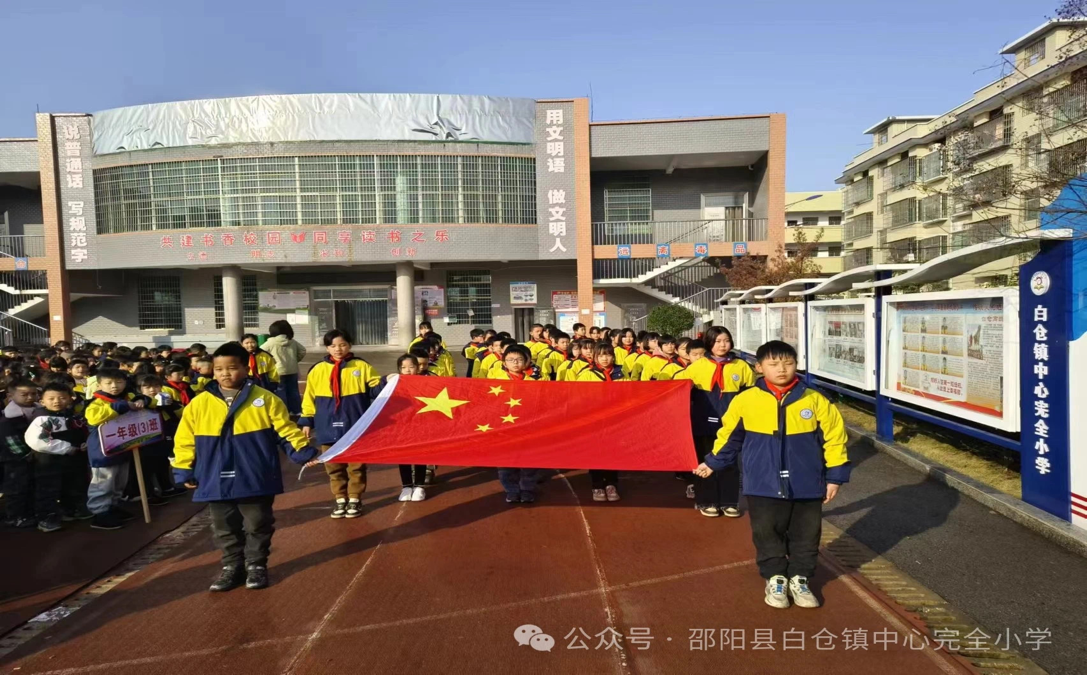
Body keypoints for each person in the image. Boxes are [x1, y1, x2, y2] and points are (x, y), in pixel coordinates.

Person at [695, 341, 849, 610]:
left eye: (788, 363)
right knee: (767, 532)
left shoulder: (815, 400)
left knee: (806, 534)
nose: (782, 369)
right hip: (762, 482)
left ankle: (800, 579)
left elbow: (835, 439)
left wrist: (834, 476)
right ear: (759, 367)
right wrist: (713, 462)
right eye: (774, 364)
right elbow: (729, 437)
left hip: (807, 482)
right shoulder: (746, 401)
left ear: (796, 364)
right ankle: (776, 577)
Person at [173, 342, 319, 592]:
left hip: (255, 474)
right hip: (214, 475)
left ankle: (256, 566)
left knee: (258, 523)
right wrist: (183, 468)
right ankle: (232, 567)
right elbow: (184, 439)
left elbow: (285, 430)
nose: (224, 374)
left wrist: (302, 452)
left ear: (245, 368)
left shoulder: (265, 399)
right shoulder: (199, 403)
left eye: (231, 368)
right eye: (219, 369)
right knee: (224, 527)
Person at [300, 330, 381, 519]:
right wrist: (306, 421)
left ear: (350, 345)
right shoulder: (317, 369)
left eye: (342, 344)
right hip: (327, 425)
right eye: (333, 346)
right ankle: (340, 499)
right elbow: (309, 398)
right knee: (334, 466)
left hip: (355, 426)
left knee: (356, 466)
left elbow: (376, 388)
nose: (338, 349)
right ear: (327, 347)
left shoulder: (361, 366)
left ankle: (354, 498)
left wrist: (388, 380)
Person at [676, 327, 755, 518]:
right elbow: (676, 388)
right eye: (718, 341)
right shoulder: (697, 366)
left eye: (726, 340)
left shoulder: (741, 366)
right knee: (705, 459)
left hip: (731, 423)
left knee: (730, 461)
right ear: (710, 343)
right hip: (703, 421)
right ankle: (707, 500)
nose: (722, 345)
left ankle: (729, 501)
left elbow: (751, 394)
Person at [85, 367, 148, 530]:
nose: (114, 386)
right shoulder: (96, 402)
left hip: (123, 446)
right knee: (103, 483)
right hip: (103, 450)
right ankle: (100, 513)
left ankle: (113, 506)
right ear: (99, 385)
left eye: (119, 382)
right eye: (109, 383)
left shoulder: (129, 397)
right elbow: (93, 417)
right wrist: (120, 407)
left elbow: (150, 400)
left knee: (119, 481)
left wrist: (143, 400)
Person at [24, 382, 92, 531]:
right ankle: (46, 517)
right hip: (48, 461)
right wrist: (67, 448)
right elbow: (38, 441)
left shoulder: (72, 417)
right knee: (48, 489)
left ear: (70, 399)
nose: (57, 401)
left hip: (71, 460)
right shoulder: (42, 419)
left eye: (62, 398)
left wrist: (83, 444)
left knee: (71, 485)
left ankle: (71, 509)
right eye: (51, 398)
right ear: (42, 401)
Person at [489, 345, 541, 503]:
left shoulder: (535, 381)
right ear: (504, 362)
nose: (515, 363)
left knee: (529, 461)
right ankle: (511, 489)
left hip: (528, 427)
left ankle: (527, 489)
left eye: (519, 359)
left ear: (526, 362)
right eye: (511, 360)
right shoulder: (496, 381)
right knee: (506, 463)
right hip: (504, 428)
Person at [576, 343, 625, 501]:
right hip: (595, 422)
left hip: (616, 421)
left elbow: (629, 395)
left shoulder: (621, 373)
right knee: (596, 453)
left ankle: (611, 484)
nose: (605, 358)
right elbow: (581, 399)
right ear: (595, 357)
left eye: (608, 355)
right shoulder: (587, 375)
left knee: (614, 452)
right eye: (601, 355)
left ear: (613, 356)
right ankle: (597, 485)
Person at [1, 378, 41, 528]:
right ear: (10, 396)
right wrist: (26, 454)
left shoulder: (37, 409)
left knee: (31, 485)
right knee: (16, 487)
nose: (30, 397)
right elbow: (11, 441)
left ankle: (29, 512)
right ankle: (15, 516)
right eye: (24, 395)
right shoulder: (8, 418)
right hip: (15, 459)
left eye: (33, 393)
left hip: (34, 456)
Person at [394, 355, 428, 501]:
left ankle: (419, 485)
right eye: (403, 367)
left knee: (420, 454)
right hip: (402, 425)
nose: (407, 370)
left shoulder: (427, 382)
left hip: (421, 424)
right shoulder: (394, 383)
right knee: (403, 455)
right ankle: (406, 486)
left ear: (418, 367)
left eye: (411, 367)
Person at [263, 320, 307, 417]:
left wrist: (271, 363)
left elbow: (261, 352)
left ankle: (284, 411)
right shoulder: (292, 341)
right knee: (294, 391)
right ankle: (296, 411)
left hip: (278, 371)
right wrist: (295, 360)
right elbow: (303, 350)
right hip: (292, 370)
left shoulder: (270, 342)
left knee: (281, 391)